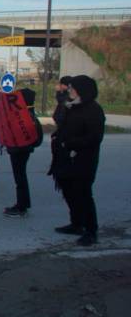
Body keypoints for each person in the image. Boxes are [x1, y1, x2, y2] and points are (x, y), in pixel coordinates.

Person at [51, 75, 105, 246]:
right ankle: (76, 224)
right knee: (69, 192)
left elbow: (94, 138)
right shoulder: (72, 106)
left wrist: (71, 143)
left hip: (82, 161)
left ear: (83, 90)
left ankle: (91, 230)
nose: (69, 91)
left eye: (73, 89)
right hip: (66, 158)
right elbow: (59, 121)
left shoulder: (93, 110)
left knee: (83, 195)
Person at [3, 88, 41, 217]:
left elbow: (35, 138)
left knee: (20, 178)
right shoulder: (28, 113)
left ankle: (21, 207)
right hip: (21, 149)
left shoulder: (26, 116)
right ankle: (23, 204)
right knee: (20, 177)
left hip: (20, 150)